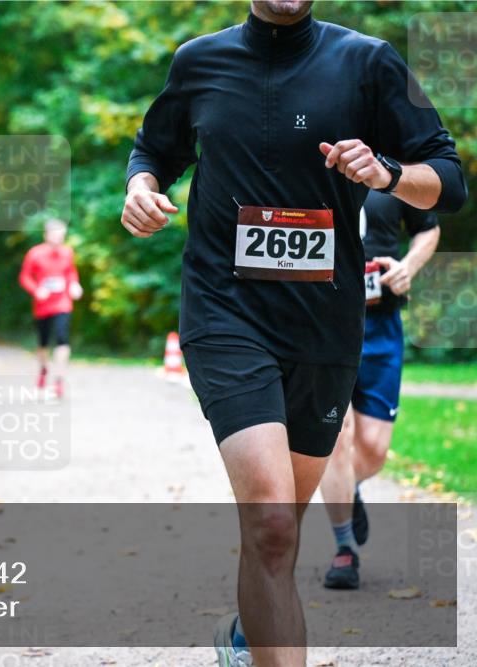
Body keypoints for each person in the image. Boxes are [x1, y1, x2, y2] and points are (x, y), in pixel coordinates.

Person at [120, 1, 466, 665]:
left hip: (324, 325)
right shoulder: (200, 61)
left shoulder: (369, 63)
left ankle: (248, 635)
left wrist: (387, 173)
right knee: (273, 524)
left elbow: (447, 181)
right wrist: (140, 186)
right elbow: (154, 151)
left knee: (280, 530)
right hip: (226, 312)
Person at [319, 190, 440, 590]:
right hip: (324, 325)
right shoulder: (316, 156)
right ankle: (344, 547)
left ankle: (347, 486)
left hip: (381, 326)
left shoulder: (397, 164)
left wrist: (408, 266)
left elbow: (428, 228)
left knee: (372, 450)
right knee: (337, 437)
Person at [19, 219, 83, 398]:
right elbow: (25, 277)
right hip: (42, 306)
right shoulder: (34, 254)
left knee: (63, 339)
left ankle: (59, 380)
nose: (59, 238)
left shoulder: (67, 252)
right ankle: (44, 368)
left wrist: (74, 285)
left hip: (62, 303)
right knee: (43, 343)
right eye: (56, 234)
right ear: (46, 235)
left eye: (62, 234)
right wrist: (36, 290)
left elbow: (71, 272)